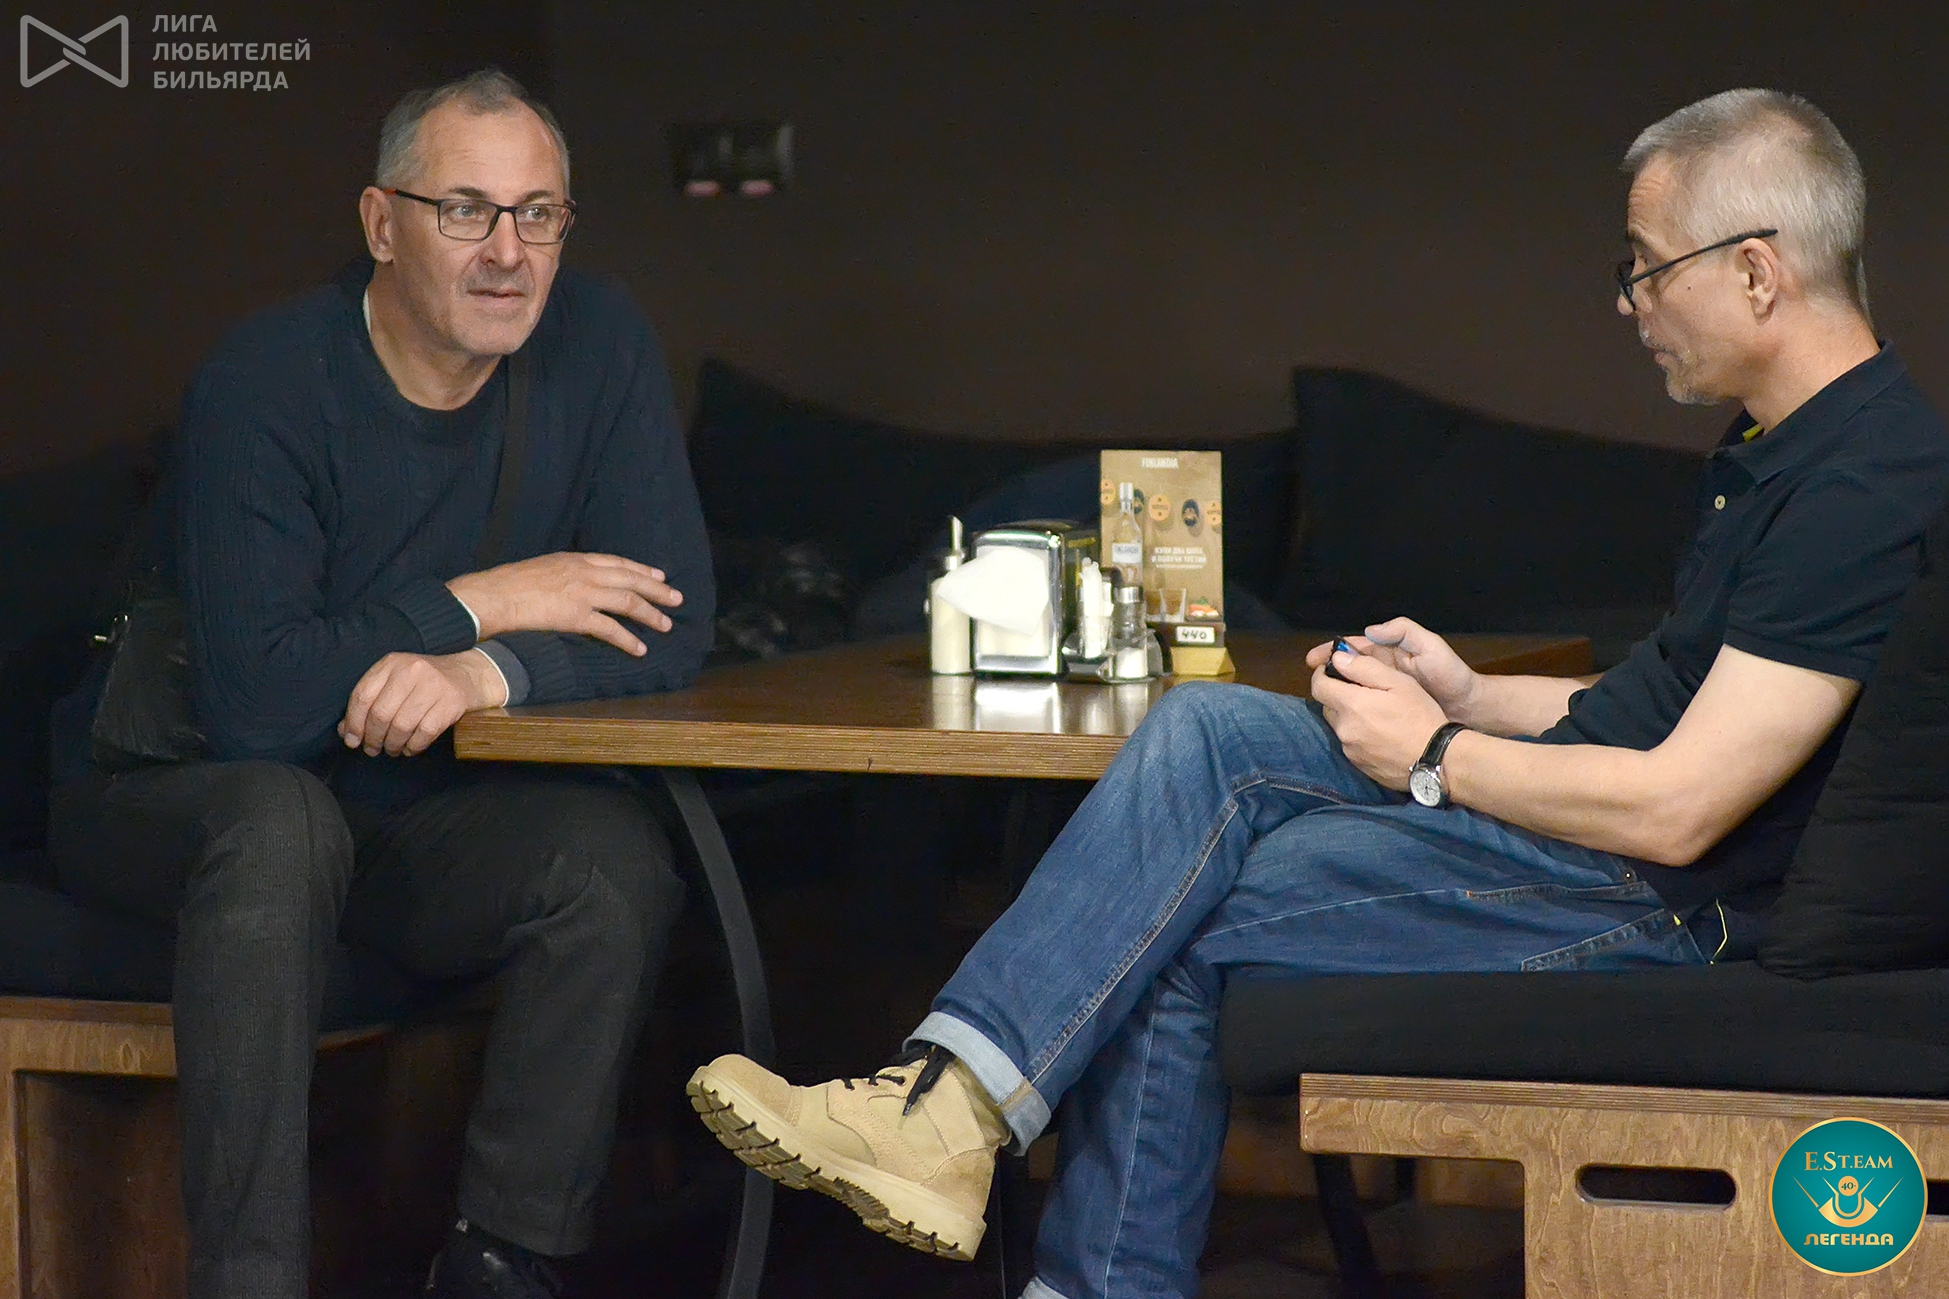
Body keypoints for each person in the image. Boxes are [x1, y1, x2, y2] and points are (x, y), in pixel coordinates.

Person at [687, 88, 1949, 1299]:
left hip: (1666, 902)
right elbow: (1677, 697)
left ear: (1753, 272)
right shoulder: (1779, 446)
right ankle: (950, 1113)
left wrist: (1434, 752)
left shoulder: (1861, 489)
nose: (1629, 304)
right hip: (1600, 842)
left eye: (1646, 268)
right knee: (1204, 730)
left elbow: (1680, 807)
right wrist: (1468, 693)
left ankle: (992, 1171)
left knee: (1168, 906)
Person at [47, 69, 713, 1299]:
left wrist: (481, 671)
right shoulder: (265, 379)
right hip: (167, 791)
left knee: (606, 858)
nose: (507, 252)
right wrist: (484, 600)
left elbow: (668, 624)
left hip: (399, 813)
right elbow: (256, 708)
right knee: (278, 820)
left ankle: (501, 1261)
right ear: (381, 223)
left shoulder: (598, 341)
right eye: (464, 210)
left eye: (537, 214)